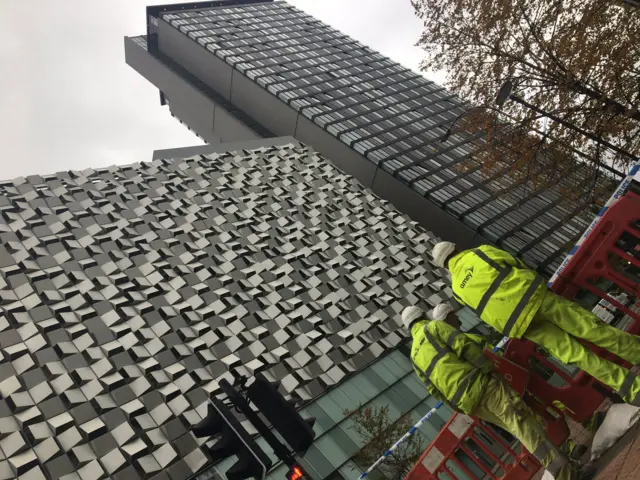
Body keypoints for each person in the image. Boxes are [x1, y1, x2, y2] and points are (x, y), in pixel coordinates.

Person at [431, 241, 640, 407]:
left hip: (519, 324)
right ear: (456, 248)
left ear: (445, 266)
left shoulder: (457, 290)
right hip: (535, 298)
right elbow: (515, 263)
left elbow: (482, 313)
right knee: (592, 329)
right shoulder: (479, 253)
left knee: (576, 355)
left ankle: (631, 389)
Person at [401, 304, 582, 480]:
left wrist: (459, 407)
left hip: (468, 403)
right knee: (524, 424)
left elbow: (434, 390)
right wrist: (490, 369)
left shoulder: (414, 358)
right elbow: (464, 346)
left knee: (519, 429)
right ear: (423, 316)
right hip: (483, 385)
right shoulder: (433, 327)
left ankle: (566, 467)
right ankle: (564, 473)